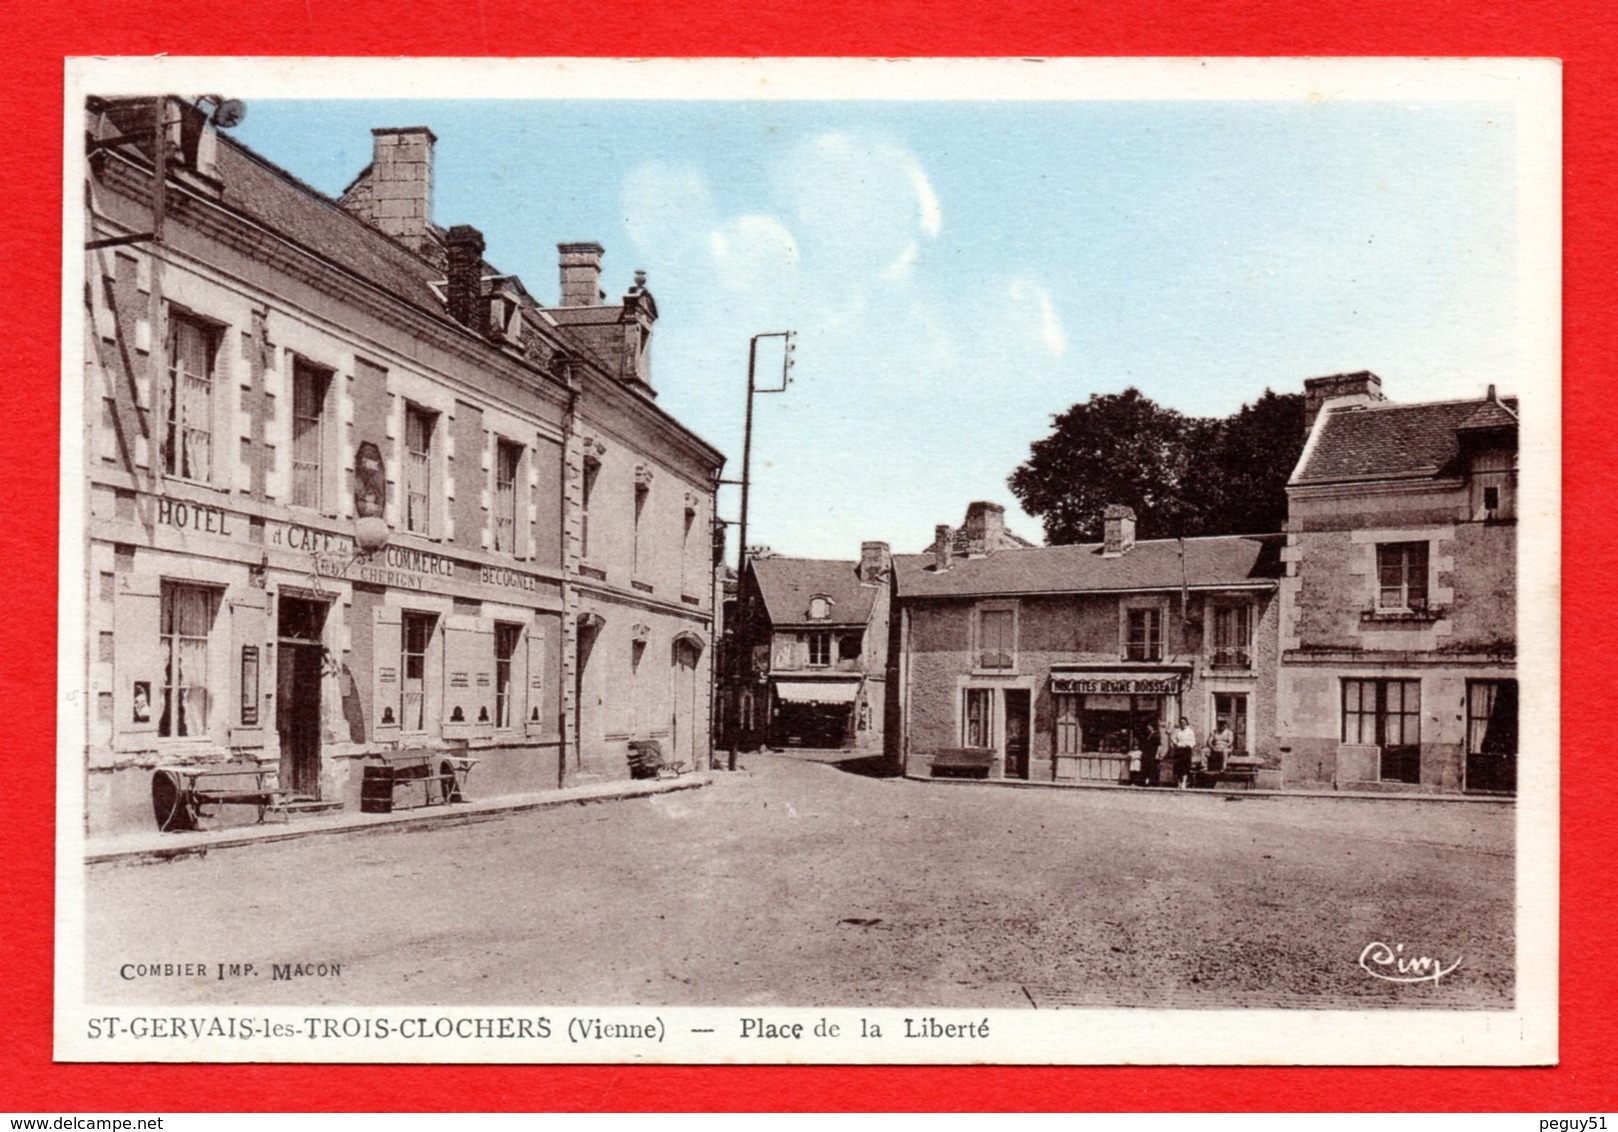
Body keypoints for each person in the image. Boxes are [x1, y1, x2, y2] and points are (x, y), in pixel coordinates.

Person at [1170, 716, 1197, 788]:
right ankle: (1179, 782)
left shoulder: (1190, 731)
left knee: (1185, 766)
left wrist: (1188, 745)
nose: (1183, 724)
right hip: (1178, 750)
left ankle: (1184, 782)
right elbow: (1173, 740)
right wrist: (1175, 744)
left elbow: (1193, 742)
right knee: (1178, 766)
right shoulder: (1178, 732)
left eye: (1184, 722)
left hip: (1186, 750)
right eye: (1181, 723)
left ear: (1187, 723)